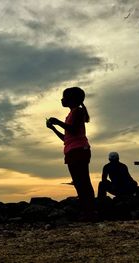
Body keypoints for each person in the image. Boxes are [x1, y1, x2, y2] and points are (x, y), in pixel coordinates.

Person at [46, 87, 95, 219]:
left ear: (72, 99)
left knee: (83, 181)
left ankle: (90, 211)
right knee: (78, 182)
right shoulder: (71, 114)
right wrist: (53, 128)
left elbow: (72, 130)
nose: (62, 99)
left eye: (64, 97)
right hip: (72, 151)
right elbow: (66, 138)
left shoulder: (78, 112)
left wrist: (57, 122)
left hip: (80, 150)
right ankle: (86, 210)